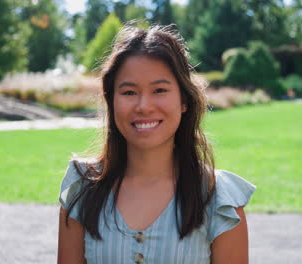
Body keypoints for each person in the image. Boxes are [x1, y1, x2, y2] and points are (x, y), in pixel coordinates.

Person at [57, 25, 256, 264]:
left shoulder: (219, 200)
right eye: (129, 92)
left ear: (184, 100)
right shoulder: (82, 189)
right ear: (111, 101)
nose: (143, 106)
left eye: (159, 90)